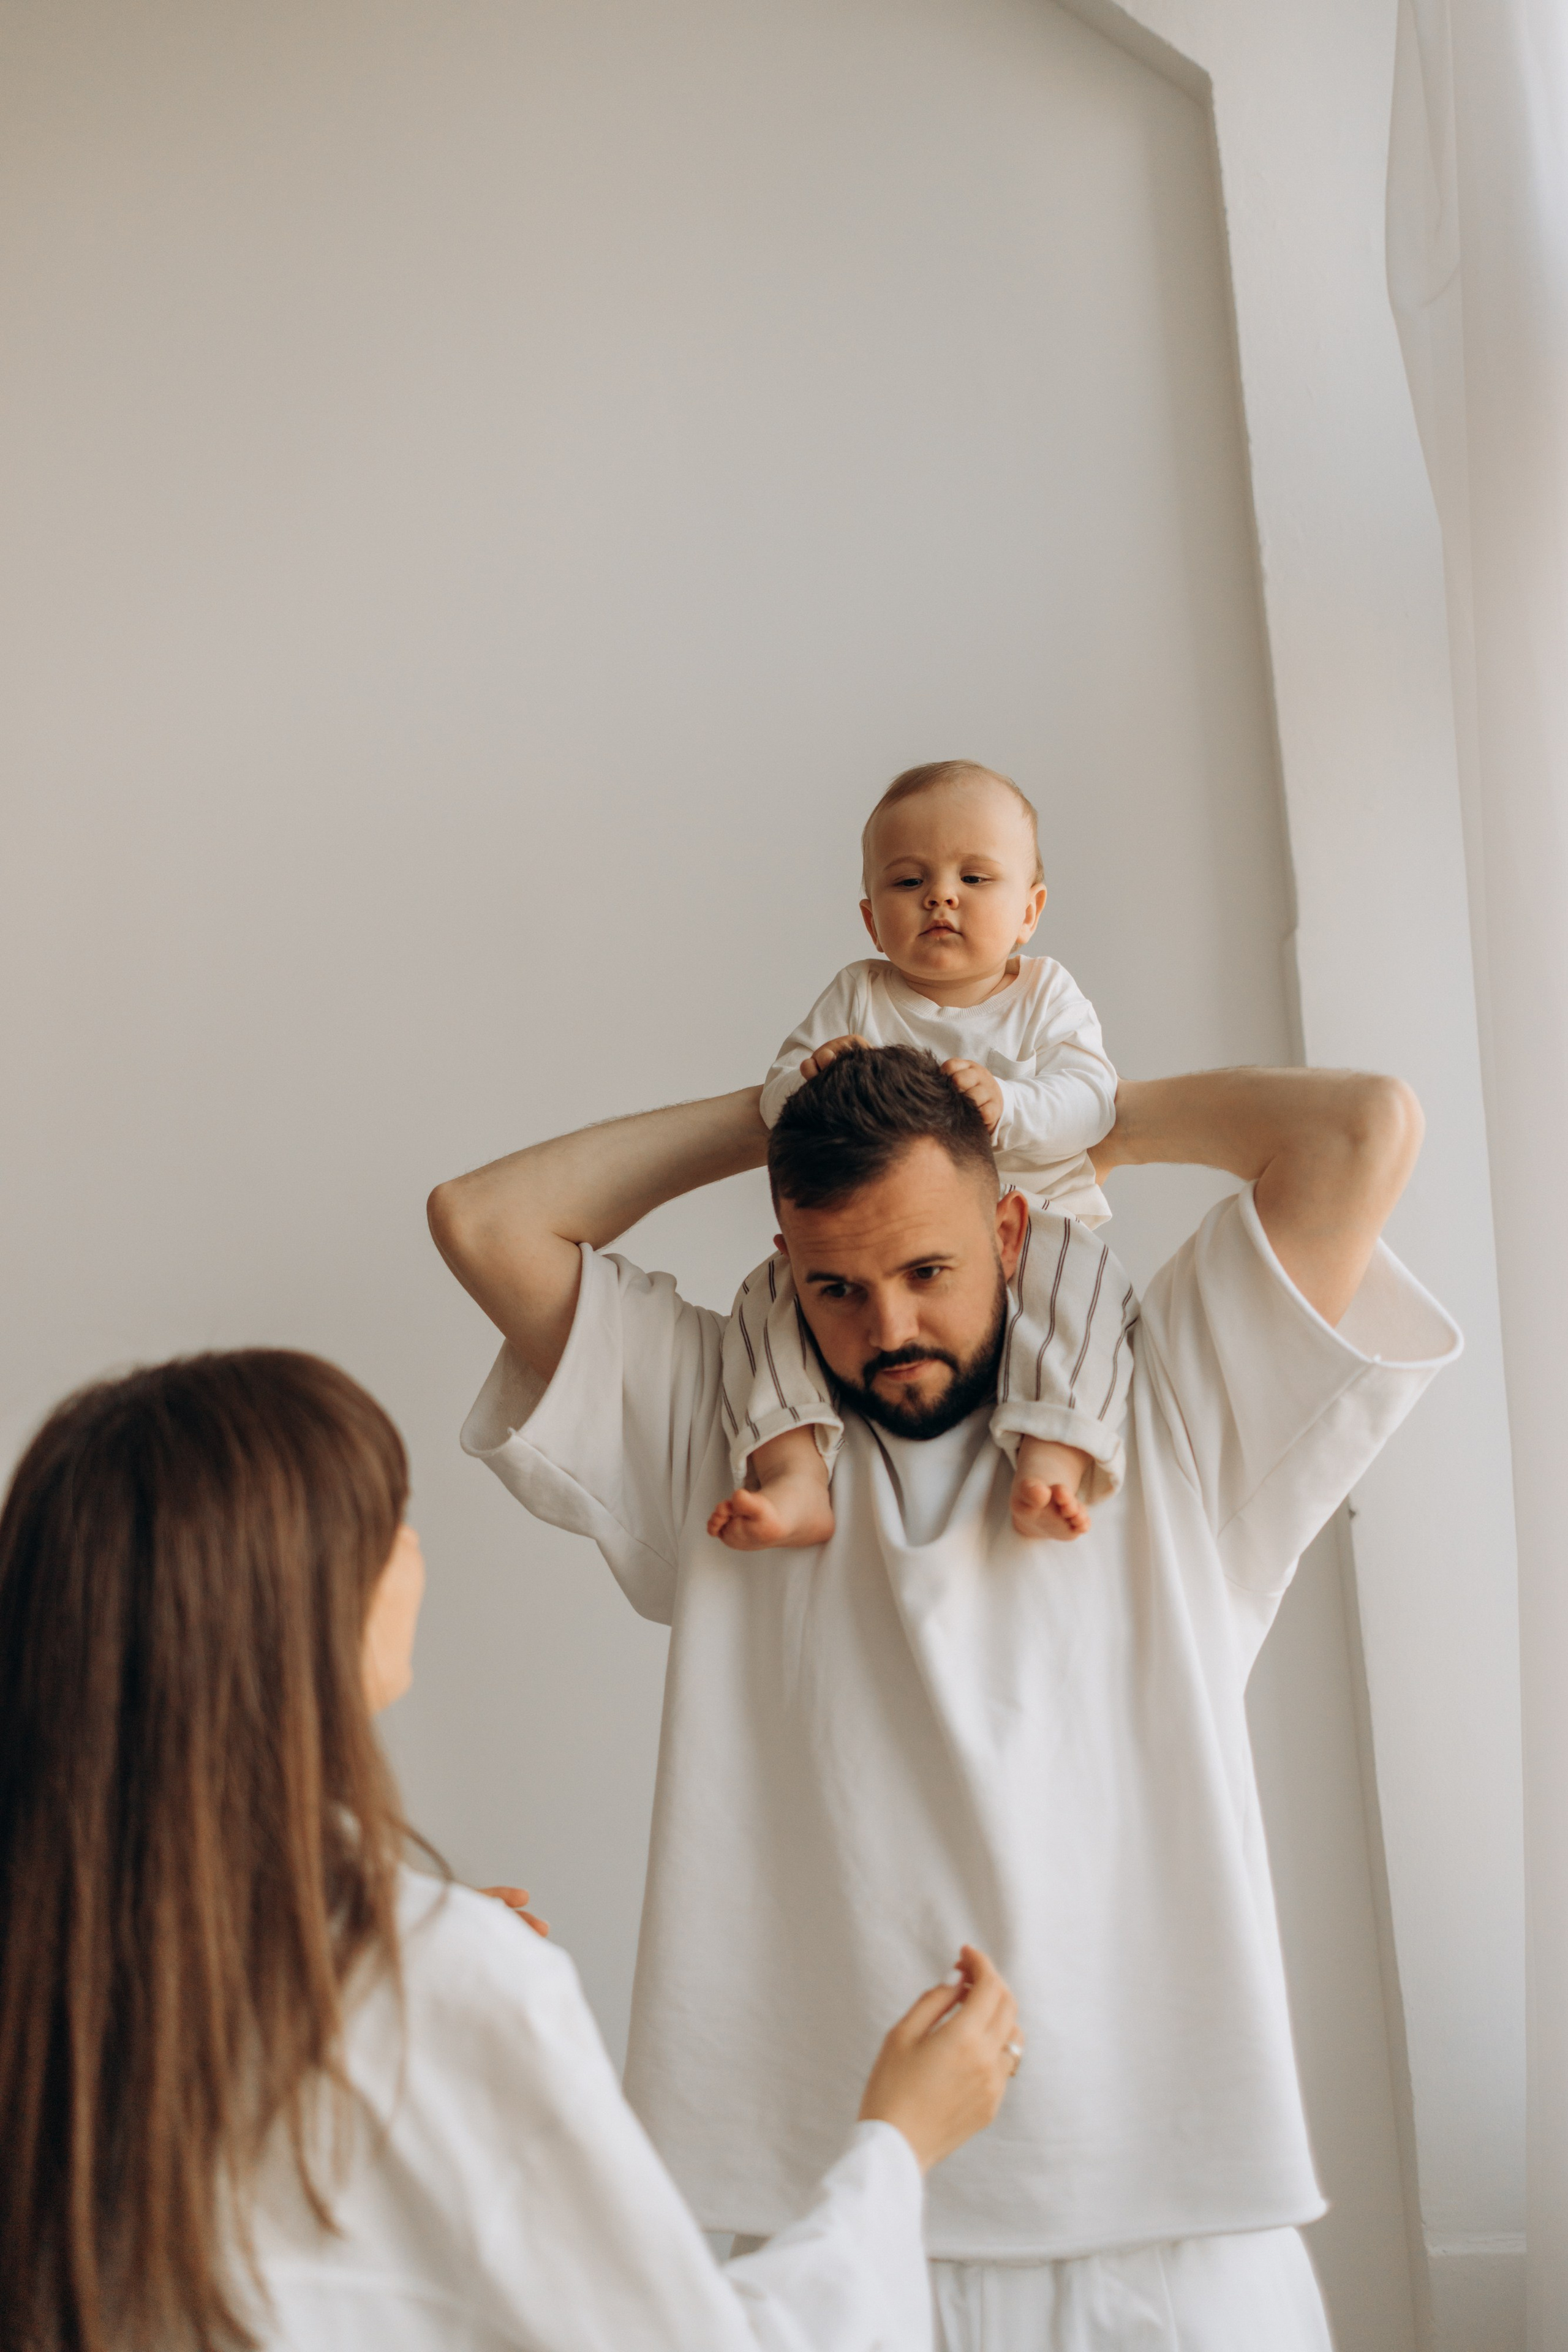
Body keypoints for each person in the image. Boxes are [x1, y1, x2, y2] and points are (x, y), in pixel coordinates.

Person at [429, 1053, 1461, 2352]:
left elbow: (1362, 1129)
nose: (889, 1329)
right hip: (837, 2218)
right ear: (786, 1267)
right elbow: (484, 1220)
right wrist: (769, 1115)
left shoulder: (1163, 1399)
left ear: (1008, 1229)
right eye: (836, 1288)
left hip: (1169, 2220)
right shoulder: (731, 1438)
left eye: (929, 1270)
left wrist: (1069, 1125)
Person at [0, 1349, 1022, 2352]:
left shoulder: (60, 1968)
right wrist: (898, 2146)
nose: (413, 1552)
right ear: (302, 1614)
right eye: (388, 1525)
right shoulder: (436, 1978)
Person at [711, 759, 1127, 1555]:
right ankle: (792, 1470)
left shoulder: (1044, 995)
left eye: (974, 877)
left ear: (1030, 910)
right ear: (873, 921)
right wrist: (811, 1076)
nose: (941, 897)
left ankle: (1054, 1456)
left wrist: (1010, 1105)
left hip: (1037, 1218)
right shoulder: (860, 992)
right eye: (910, 882)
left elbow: (1095, 1100)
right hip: (881, 1241)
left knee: (1084, 1297)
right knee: (768, 1300)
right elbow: (774, 1098)